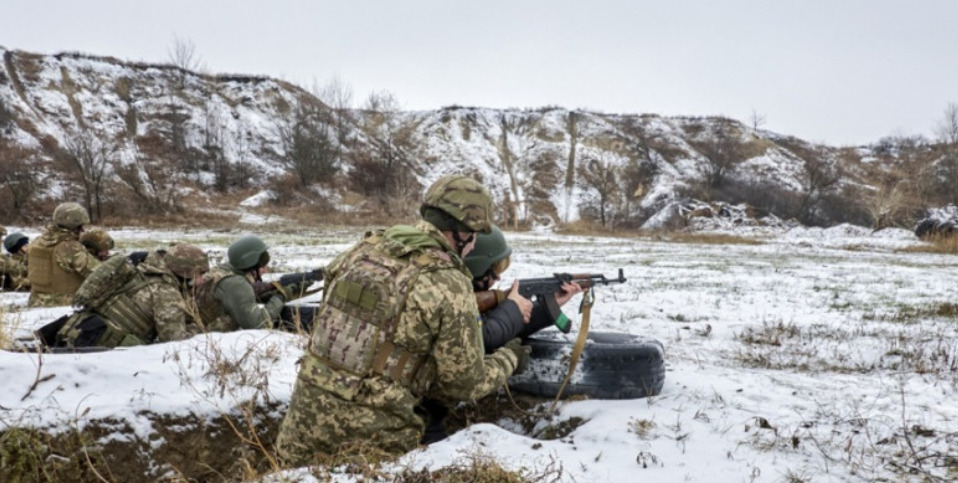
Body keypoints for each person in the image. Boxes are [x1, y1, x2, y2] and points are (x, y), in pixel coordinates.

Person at [275, 174, 529, 464]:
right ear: (464, 232)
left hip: (299, 435)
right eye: (474, 236)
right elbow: (465, 385)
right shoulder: (448, 281)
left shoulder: (363, 249)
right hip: (371, 451)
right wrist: (510, 357)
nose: (473, 246)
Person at [419, 224, 583, 444]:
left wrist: (547, 307)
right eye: (494, 269)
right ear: (476, 265)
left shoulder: (451, 286)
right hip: (418, 411)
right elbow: (483, 337)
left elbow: (500, 327)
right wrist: (512, 310)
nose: (497, 278)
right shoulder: (448, 294)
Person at [54, 244, 210, 348]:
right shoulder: (166, 291)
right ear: (186, 272)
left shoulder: (141, 270)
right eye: (201, 273)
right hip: (101, 346)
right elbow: (174, 340)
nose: (203, 279)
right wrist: (203, 328)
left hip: (77, 330)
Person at [192, 235, 307, 332]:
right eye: (263, 265)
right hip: (201, 336)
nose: (266, 270)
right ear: (250, 264)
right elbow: (258, 323)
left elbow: (249, 296)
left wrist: (281, 290)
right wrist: (281, 295)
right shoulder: (236, 284)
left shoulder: (225, 270)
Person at [28, 202, 101, 307]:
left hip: (36, 302)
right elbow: (98, 274)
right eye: (81, 226)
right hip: (63, 304)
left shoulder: (37, 242)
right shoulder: (69, 247)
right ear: (75, 225)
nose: (83, 230)